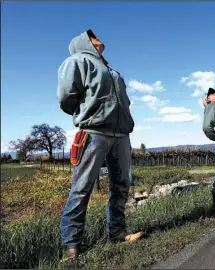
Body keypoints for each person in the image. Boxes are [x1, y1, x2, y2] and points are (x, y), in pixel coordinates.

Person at [57, 29, 143, 261]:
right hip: (94, 132)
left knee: (122, 183)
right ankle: (72, 245)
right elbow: (66, 96)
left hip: (121, 135)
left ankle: (117, 232)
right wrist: (88, 112)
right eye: (92, 35)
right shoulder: (76, 61)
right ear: (84, 41)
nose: (98, 37)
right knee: (82, 187)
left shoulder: (112, 70)